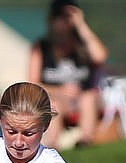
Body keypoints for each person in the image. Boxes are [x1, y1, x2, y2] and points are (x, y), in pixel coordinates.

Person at [27, 0, 108, 148]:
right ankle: (52, 147)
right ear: (51, 20)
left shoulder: (82, 45)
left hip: (84, 101)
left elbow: (100, 57)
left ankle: (85, 142)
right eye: (59, 17)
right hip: (58, 101)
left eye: (67, 17)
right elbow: (33, 83)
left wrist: (81, 25)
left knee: (88, 98)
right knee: (52, 105)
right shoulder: (41, 48)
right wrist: (61, 91)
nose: (62, 22)